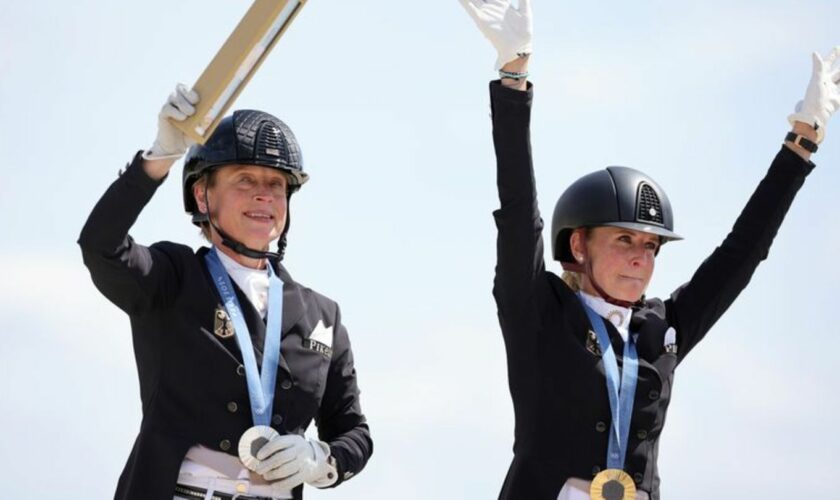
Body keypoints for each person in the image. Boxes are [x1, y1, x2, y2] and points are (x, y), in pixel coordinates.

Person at [459, 1, 839, 499]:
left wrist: (801, 145)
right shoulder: (541, 315)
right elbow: (518, 214)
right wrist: (514, 79)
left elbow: (742, 254)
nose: (642, 258)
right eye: (624, 240)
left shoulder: (663, 332)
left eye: (651, 246)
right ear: (579, 244)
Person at [78, 85, 373, 500]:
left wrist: (319, 459)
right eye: (245, 180)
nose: (263, 194)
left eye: (276, 184)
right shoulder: (172, 277)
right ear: (203, 194)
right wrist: (159, 157)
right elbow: (100, 245)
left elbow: (354, 433)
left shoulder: (322, 315)